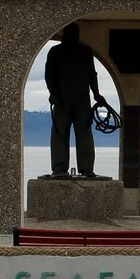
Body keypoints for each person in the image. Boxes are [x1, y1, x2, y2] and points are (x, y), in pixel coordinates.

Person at [44, 22, 105, 178]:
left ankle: (86, 168)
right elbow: (49, 75)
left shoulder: (85, 51)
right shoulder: (55, 51)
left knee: (84, 133)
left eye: (75, 32)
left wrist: (97, 94)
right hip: (61, 100)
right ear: (65, 34)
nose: (73, 36)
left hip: (82, 100)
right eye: (71, 32)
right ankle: (59, 168)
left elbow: (92, 74)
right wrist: (53, 93)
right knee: (60, 133)